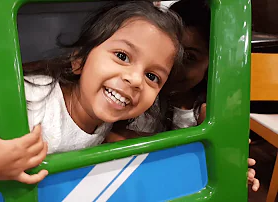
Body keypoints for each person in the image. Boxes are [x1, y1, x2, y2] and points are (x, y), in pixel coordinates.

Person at [0, 1, 183, 185]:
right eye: (122, 56)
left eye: (152, 76)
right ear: (79, 60)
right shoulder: (32, 99)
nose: (135, 79)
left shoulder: (107, 117)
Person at [105, 0, 260, 192]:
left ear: (212, 65)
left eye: (189, 58)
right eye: (171, 55)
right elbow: (109, 136)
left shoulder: (208, 111)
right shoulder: (139, 93)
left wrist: (232, 168)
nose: (174, 68)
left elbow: (220, 166)